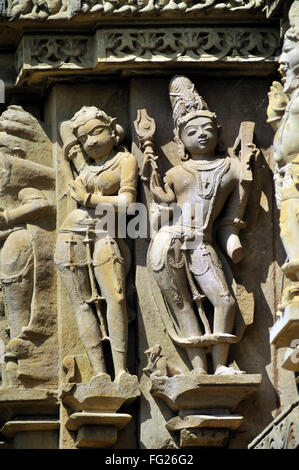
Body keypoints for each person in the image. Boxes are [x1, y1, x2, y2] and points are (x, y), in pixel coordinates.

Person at [149, 75, 258, 375]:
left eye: (208, 129)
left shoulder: (232, 168)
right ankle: (198, 369)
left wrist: (249, 172)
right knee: (184, 307)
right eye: (192, 131)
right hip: (168, 242)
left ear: (219, 133)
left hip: (202, 244)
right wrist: (161, 200)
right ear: (180, 138)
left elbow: (231, 221)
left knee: (225, 302)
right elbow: (154, 222)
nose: (201, 135)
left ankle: (220, 365)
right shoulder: (174, 174)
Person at [55, 106, 138, 381]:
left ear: (113, 131)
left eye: (97, 132)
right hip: (72, 234)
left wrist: (88, 198)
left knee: (115, 297)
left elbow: (127, 204)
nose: (90, 141)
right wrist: (75, 141)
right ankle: (100, 373)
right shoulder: (84, 168)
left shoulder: (125, 161)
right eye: (84, 138)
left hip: (107, 233)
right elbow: (64, 126)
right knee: (83, 305)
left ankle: (122, 370)